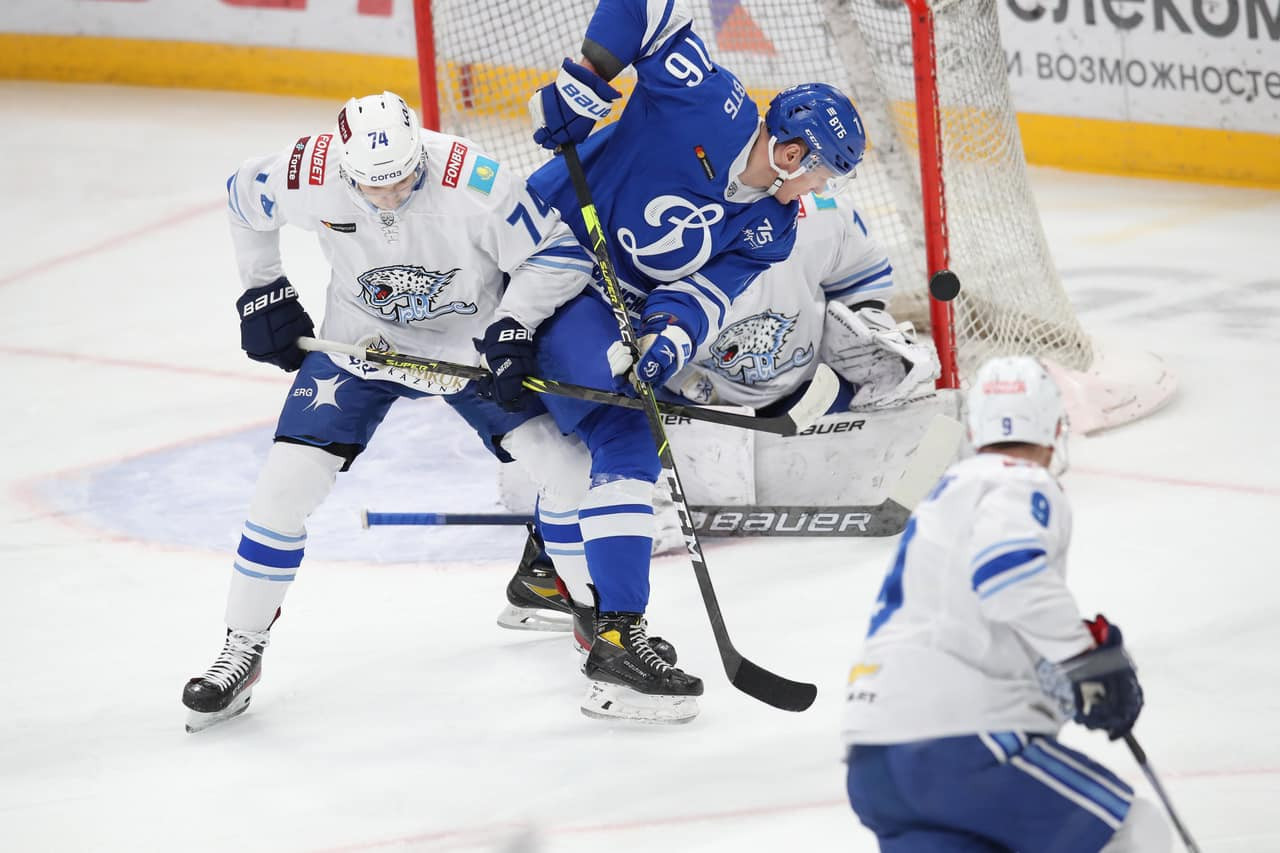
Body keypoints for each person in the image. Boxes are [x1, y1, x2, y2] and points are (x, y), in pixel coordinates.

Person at [474, 0, 867, 724]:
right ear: (792, 154)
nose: (819, 189)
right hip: (542, 250)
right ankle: (612, 635)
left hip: (609, 299)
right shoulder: (709, 102)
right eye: (821, 174)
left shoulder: (774, 224)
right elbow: (647, 6)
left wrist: (666, 343)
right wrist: (585, 82)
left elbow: (701, 296)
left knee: (617, 426)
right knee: (624, 436)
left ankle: (557, 581)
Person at [181, 91, 598, 733]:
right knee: (281, 492)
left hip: (468, 353)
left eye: (402, 181)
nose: (389, 198)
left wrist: (515, 322)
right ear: (345, 167)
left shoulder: (474, 179)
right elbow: (242, 195)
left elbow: (560, 253)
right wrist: (262, 289)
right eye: (372, 187)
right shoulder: (311, 170)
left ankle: (599, 625)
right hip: (359, 348)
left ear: (419, 156)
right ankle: (242, 646)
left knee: (567, 472)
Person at [499, 190, 940, 652]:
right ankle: (546, 564)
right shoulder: (663, 242)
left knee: (895, 383)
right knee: (611, 450)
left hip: (806, 385)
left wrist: (863, 321)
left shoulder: (820, 221)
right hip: (689, 400)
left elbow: (863, 279)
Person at [841, 356, 1171, 851]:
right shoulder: (1021, 480)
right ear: (1055, 429)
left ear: (975, 428)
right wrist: (1086, 663)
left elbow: (980, 622)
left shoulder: (945, 497)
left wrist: (1069, 675)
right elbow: (1009, 576)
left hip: (874, 759)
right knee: (1133, 830)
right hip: (959, 746)